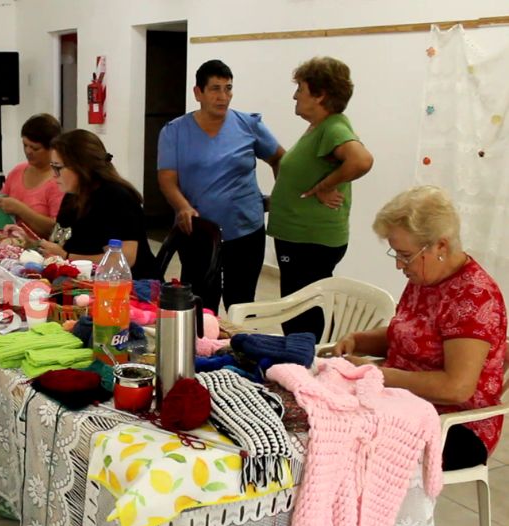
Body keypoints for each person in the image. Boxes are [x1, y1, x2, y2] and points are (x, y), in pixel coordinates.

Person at [333, 186, 506, 471]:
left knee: (347, 446)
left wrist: (381, 375)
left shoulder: (473, 297)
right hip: (406, 401)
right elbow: (406, 335)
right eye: (396, 254)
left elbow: (457, 388)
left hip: (456, 425)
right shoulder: (425, 277)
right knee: (322, 419)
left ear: (441, 246)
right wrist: (357, 340)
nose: (400, 265)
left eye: (405, 255)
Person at [158, 59, 285, 314]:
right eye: (215, 89)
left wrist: (280, 197)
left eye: (228, 88)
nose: (223, 96)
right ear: (198, 93)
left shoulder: (248, 125)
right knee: (201, 301)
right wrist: (182, 207)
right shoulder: (175, 132)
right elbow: (167, 180)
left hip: (246, 230)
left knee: (241, 301)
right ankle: (202, 349)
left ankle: (238, 349)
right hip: (198, 231)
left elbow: (280, 159)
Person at [268, 56, 374, 340]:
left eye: (300, 89)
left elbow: (361, 160)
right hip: (301, 236)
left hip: (309, 240)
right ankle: (310, 358)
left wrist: (326, 185)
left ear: (320, 94)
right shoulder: (320, 127)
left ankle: (308, 365)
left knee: (302, 313)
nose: (295, 95)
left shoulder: (334, 128)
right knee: (303, 308)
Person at [39, 130, 159, 280]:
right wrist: (33, 243)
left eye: (58, 167)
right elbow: (60, 241)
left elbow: (123, 260)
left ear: (81, 167)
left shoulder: (116, 198)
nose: (54, 174)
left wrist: (67, 256)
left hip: (131, 286)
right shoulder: (73, 195)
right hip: (88, 280)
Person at [0, 113, 63, 238]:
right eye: (25, 145)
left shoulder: (59, 181)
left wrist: (21, 210)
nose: (28, 151)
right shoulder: (18, 171)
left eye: (35, 148)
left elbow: (58, 230)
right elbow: (0, 219)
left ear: (52, 148)